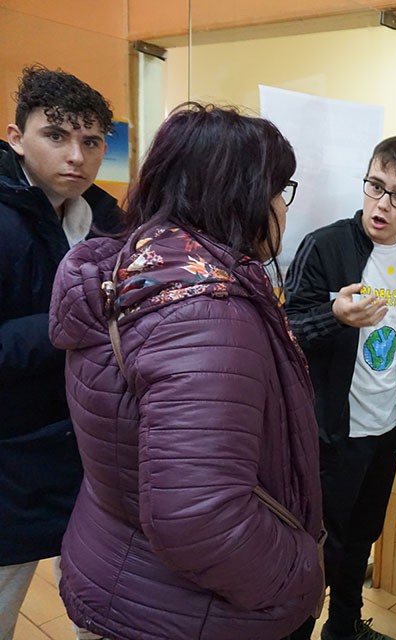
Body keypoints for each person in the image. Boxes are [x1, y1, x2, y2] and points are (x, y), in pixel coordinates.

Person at [48, 104, 325, 640]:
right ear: (241, 198)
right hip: (189, 610)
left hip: (125, 574)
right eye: (278, 191)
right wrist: (299, 572)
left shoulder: (137, 269)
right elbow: (201, 518)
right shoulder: (205, 313)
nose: (283, 210)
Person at [284, 135, 396, 640]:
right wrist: (335, 315)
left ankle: (344, 628)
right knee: (315, 542)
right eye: (376, 187)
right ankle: (295, 630)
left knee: (361, 536)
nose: (383, 203)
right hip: (332, 429)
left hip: (387, 426)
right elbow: (287, 329)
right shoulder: (325, 245)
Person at [0, 65, 122, 640]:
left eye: (92, 141)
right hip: (11, 454)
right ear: (15, 136)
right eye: (57, 136)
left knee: (98, 606)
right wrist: (67, 322)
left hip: (88, 447)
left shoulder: (110, 221)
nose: (77, 154)